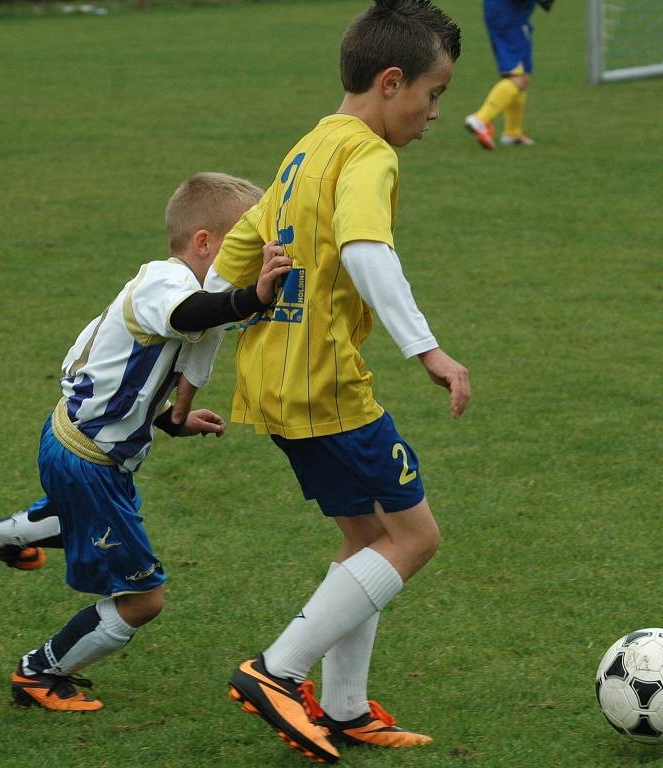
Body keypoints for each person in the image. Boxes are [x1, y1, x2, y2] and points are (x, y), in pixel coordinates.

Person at [186, 1, 470, 763]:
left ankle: (344, 710)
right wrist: (427, 351)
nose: (434, 112)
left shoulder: (303, 151)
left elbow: (226, 272)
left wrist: (181, 373)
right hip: (326, 386)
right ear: (389, 81)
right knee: (414, 538)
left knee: (368, 540)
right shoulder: (370, 156)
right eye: (433, 94)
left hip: (272, 387)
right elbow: (367, 251)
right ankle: (276, 672)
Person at [0, 172, 291, 712]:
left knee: (75, 522)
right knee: (142, 599)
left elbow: (166, 361)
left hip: (80, 445)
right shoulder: (166, 284)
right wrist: (251, 297)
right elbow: (189, 318)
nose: (253, 257)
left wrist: (171, 419)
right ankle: (39, 672)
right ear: (204, 242)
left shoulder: (196, 293)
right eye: (245, 244)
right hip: (88, 459)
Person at [464, 0, 554, 150]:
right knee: (519, 78)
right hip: (509, 16)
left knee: (519, 74)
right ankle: (480, 119)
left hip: (503, 14)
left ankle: (513, 133)